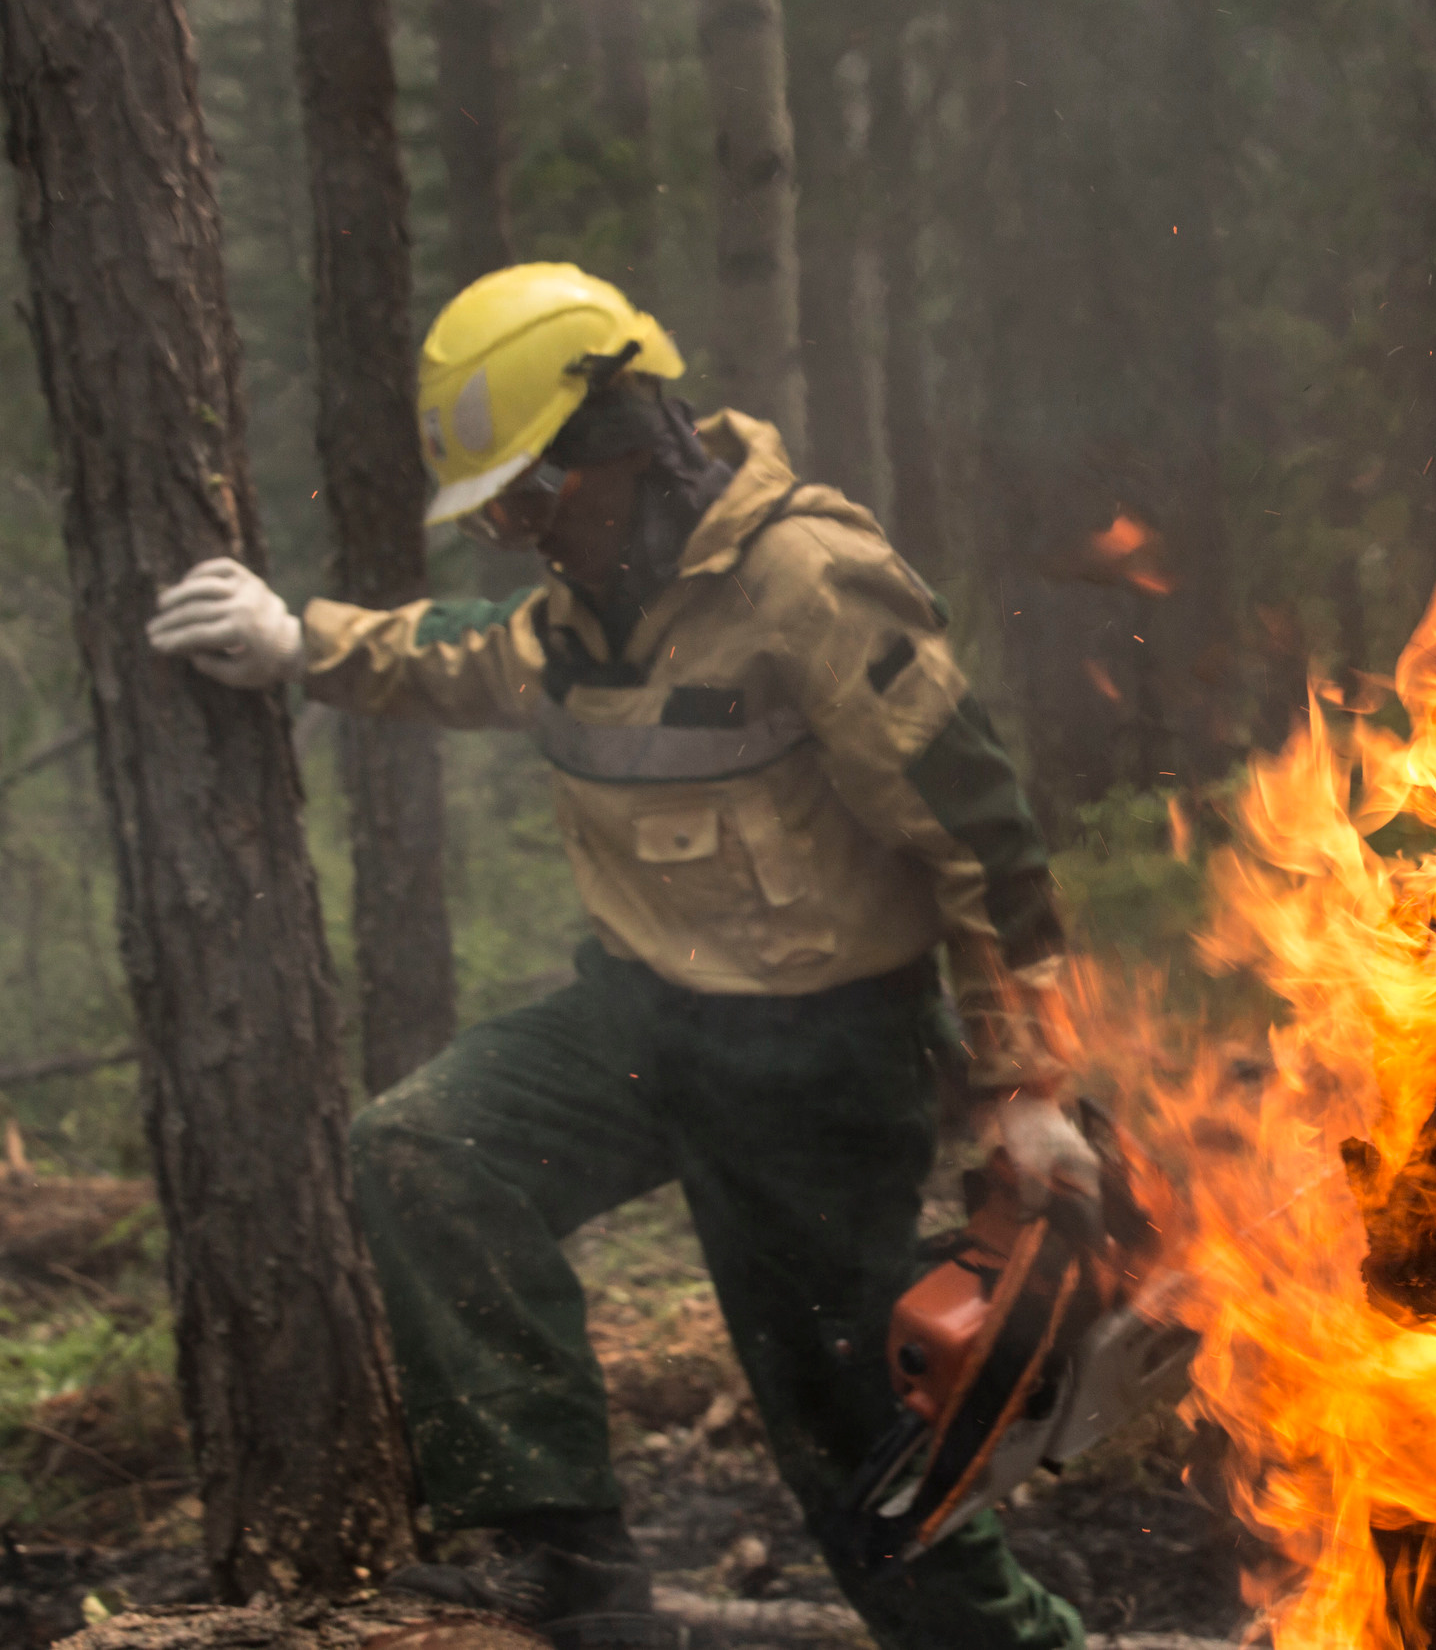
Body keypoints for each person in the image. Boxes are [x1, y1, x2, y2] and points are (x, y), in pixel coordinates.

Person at [144, 264, 1090, 1650]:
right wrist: (301, 643)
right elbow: (470, 656)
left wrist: (1032, 1091)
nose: (521, 532)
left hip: (825, 1069)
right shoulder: (583, 608)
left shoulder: (807, 580)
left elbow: (981, 838)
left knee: (867, 1471)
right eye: (500, 509)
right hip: (645, 1025)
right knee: (426, 1148)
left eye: (532, 496)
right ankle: (562, 1556)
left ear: (621, 440)